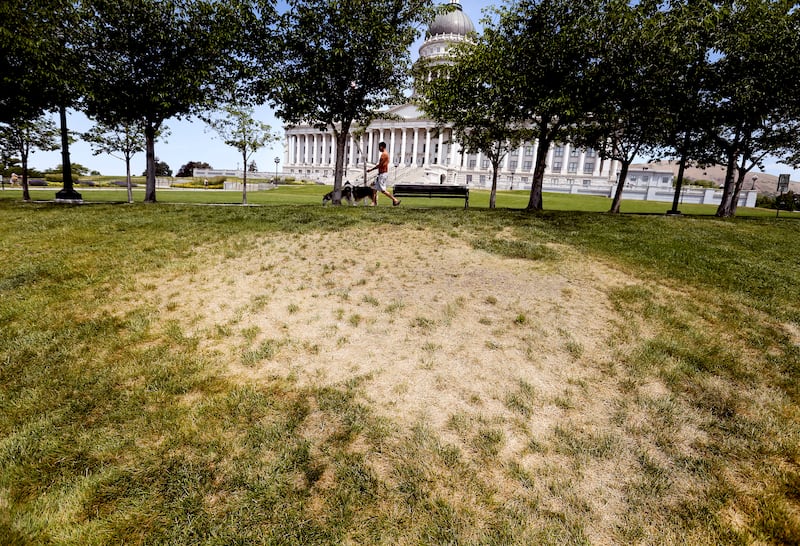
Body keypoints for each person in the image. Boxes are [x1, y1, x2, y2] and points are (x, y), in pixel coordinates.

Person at [368, 141, 401, 206]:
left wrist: (371, 170)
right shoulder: (385, 154)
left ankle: (395, 200)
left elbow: (380, 165)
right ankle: (373, 202)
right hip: (381, 174)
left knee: (383, 190)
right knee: (374, 188)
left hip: (382, 174)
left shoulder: (384, 155)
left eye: (379, 147)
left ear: (381, 147)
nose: (378, 149)